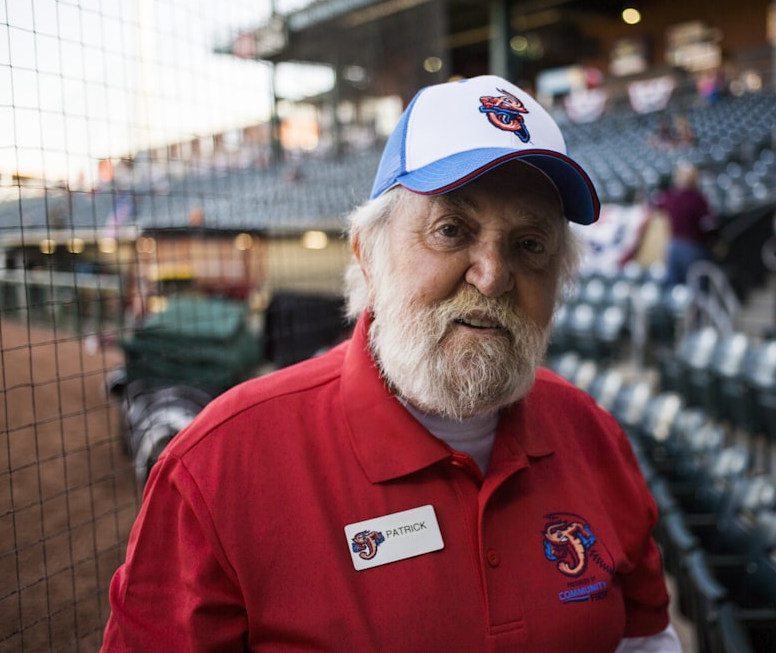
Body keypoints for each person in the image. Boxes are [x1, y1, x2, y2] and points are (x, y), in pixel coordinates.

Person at [101, 75, 682, 652]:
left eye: (530, 244)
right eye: (452, 230)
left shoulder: (594, 435)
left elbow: (646, 641)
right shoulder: (217, 467)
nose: (493, 275)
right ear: (368, 255)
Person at [652, 160, 715, 290]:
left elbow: (654, 205)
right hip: (691, 247)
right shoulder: (697, 199)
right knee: (696, 289)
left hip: (673, 246)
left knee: (675, 288)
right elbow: (708, 225)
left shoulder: (670, 197)